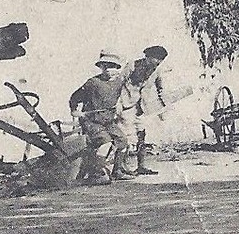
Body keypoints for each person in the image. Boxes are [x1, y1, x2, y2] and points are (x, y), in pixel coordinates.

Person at [68, 51, 130, 183]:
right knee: (105, 141)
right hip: (91, 121)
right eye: (104, 66)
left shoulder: (119, 82)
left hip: (108, 120)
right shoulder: (93, 83)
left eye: (112, 66)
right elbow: (75, 97)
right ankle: (96, 174)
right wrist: (75, 111)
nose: (108, 69)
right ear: (101, 67)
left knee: (123, 141)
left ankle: (117, 171)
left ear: (118, 68)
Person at [119, 45, 170, 176]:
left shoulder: (156, 70)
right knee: (126, 137)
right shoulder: (132, 65)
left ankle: (141, 166)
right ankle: (120, 168)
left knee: (141, 135)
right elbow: (118, 84)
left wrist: (163, 108)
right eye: (156, 60)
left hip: (141, 108)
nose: (157, 64)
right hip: (126, 106)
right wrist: (118, 105)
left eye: (160, 61)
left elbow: (161, 89)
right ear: (147, 57)